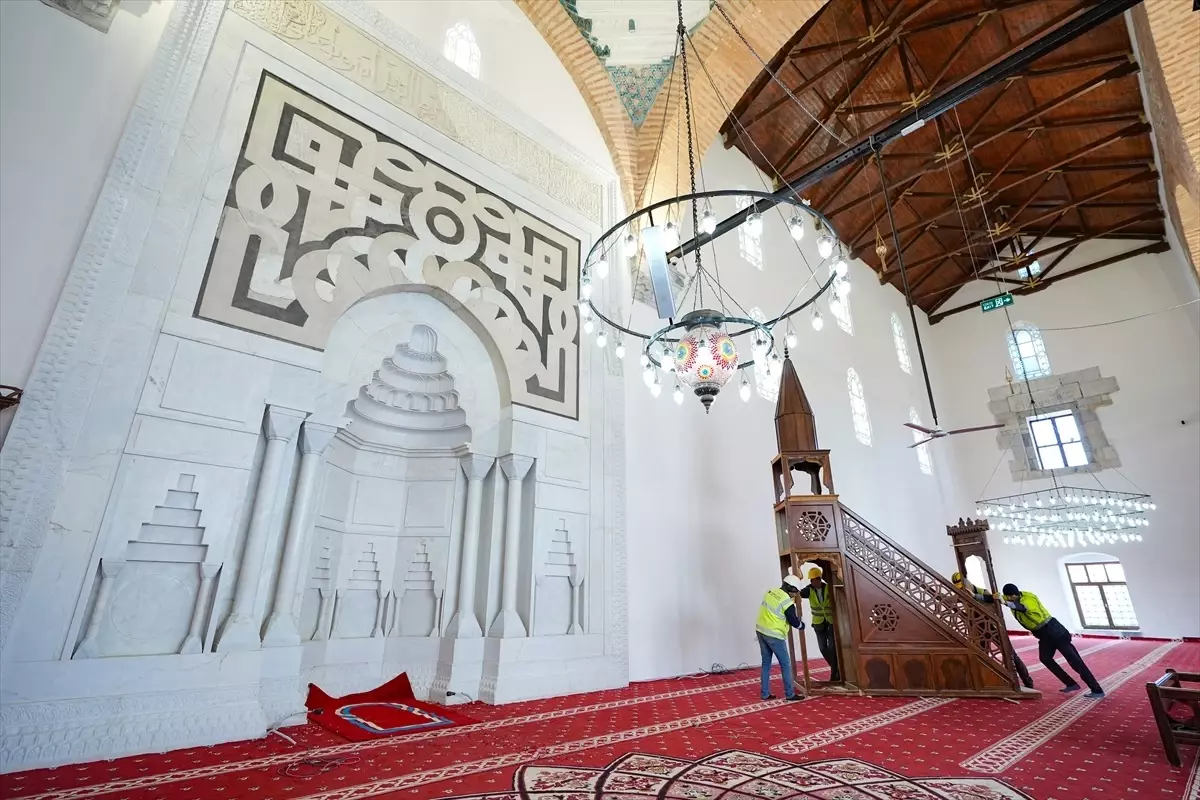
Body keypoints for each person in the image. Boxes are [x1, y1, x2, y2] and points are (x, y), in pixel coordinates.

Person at [1001, 583, 1104, 699]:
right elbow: (998, 597)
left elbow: (1022, 607)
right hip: (1044, 636)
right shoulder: (1010, 597)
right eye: (1007, 598)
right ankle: (1070, 683)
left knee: (1075, 662)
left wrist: (1005, 602)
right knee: (1045, 658)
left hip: (1055, 632)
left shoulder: (1028, 598)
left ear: (1014, 595)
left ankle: (1097, 690)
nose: (1009, 599)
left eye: (1010, 598)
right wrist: (984, 595)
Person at [952, 572, 1034, 689]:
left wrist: (976, 599)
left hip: (993, 627)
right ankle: (982, 681)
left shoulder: (983, 592)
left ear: (967, 583)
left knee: (1011, 655)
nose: (962, 590)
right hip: (979, 628)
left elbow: (994, 603)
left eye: (963, 587)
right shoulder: (961, 594)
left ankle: (1028, 682)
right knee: (981, 655)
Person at [756, 575, 807, 701]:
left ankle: (765, 693)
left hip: (761, 630)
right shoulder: (787, 603)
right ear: (791, 589)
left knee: (766, 663)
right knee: (785, 664)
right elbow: (793, 621)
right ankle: (790, 694)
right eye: (795, 592)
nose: (795, 594)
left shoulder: (771, 591)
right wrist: (801, 625)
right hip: (774, 635)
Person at [798, 567, 840, 682]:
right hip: (818, 624)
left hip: (830, 622)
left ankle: (834, 674)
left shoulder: (828, 588)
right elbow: (798, 594)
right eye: (811, 580)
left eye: (814, 580)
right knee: (823, 648)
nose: (812, 582)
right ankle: (837, 669)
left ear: (819, 579)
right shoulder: (808, 590)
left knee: (832, 648)